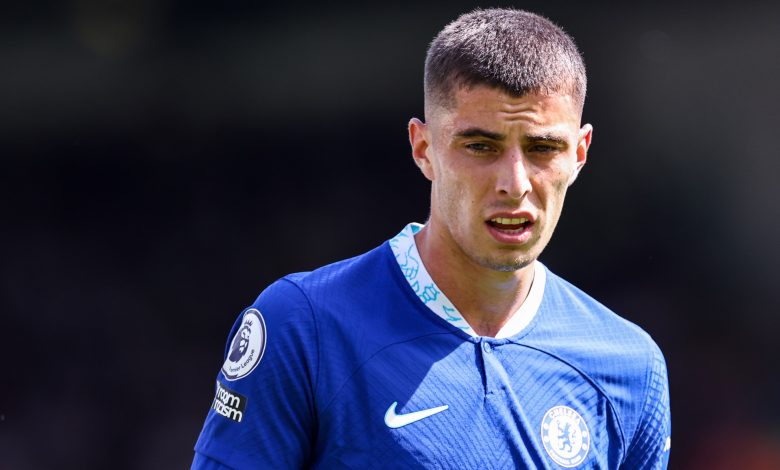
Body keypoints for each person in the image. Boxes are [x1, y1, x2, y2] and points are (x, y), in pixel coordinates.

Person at [191, 8, 671, 469]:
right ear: (423, 149)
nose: (515, 183)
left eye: (543, 148)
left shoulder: (629, 366)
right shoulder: (305, 326)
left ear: (579, 154)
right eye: (480, 146)